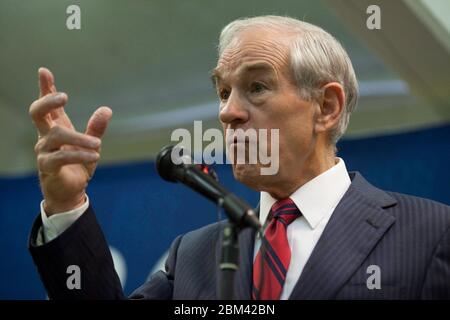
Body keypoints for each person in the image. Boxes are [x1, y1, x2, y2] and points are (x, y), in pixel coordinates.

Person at [28, 15, 450, 299]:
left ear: (326, 107)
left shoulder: (431, 234)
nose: (228, 112)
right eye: (223, 92)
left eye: (257, 87)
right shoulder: (192, 257)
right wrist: (66, 205)